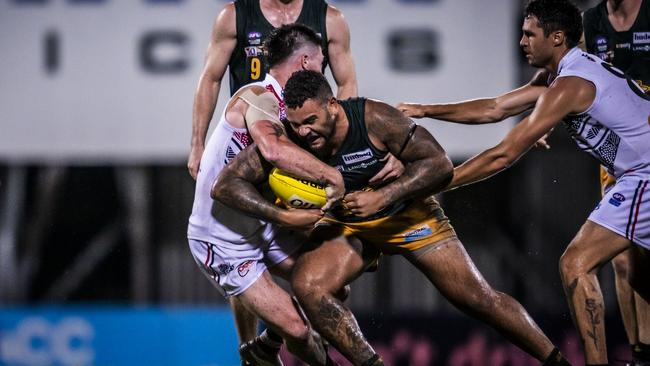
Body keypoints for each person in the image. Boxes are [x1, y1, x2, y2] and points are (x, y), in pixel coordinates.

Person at [213, 70, 572, 366]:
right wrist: (281, 215)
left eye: (311, 121)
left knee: (478, 300)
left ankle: (556, 360)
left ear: (333, 106)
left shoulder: (375, 118)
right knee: (308, 285)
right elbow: (225, 184)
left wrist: (385, 195)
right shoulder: (288, 136)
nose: (304, 132)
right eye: (296, 124)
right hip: (348, 224)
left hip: (408, 216)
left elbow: (440, 165)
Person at [398, 0, 650, 364]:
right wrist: (425, 110)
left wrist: (433, 184)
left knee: (576, 263)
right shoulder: (558, 78)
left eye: (530, 33)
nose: (521, 41)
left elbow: (504, 154)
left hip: (644, 174)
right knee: (638, 274)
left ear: (557, 37)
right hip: (637, 173)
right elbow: (496, 108)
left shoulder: (569, 86)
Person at [187, 24, 347, 366]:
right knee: (300, 331)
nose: (324, 71)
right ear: (305, 62)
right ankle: (274, 346)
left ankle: (267, 343)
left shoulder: (294, 113)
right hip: (222, 239)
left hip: (261, 228)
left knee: (332, 282)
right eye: (321, 63)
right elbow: (272, 150)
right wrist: (333, 177)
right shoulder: (257, 97)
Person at [188, 0, 357, 180]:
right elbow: (210, 79)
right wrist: (197, 143)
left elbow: (347, 83)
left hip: (302, 138)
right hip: (251, 136)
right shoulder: (234, 16)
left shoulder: (330, 19)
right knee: (235, 195)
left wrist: (340, 142)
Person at [583, 2, 650, 363]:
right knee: (622, 262)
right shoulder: (589, 23)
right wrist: (540, 118)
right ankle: (639, 353)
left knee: (645, 253)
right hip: (616, 155)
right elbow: (563, 75)